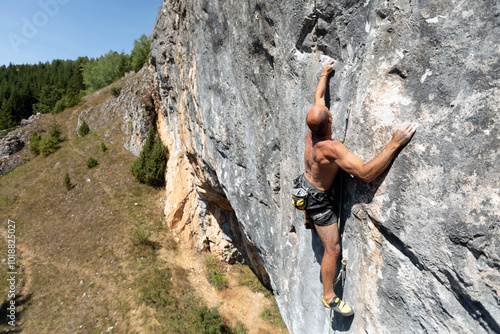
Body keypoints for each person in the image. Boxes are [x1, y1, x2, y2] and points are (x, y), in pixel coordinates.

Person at [301, 58, 418, 316]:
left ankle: (308, 217)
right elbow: (366, 174)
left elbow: (318, 98)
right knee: (332, 249)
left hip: (304, 186)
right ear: (330, 122)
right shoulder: (332, 149)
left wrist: (325, 73)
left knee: (310, 201)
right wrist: (395, 143)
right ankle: (329, 296)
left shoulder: (311, 129)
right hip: (318, 200)